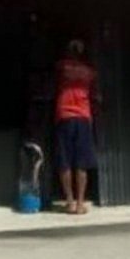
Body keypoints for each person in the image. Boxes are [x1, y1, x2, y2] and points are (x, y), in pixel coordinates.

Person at [54, 38, 98, 215]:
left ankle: (69, 202)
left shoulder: (62, 68)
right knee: (81, 162)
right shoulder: (89, 72)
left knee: (64, 161)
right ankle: (80, 203)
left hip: (64, 115)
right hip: (83, 117)